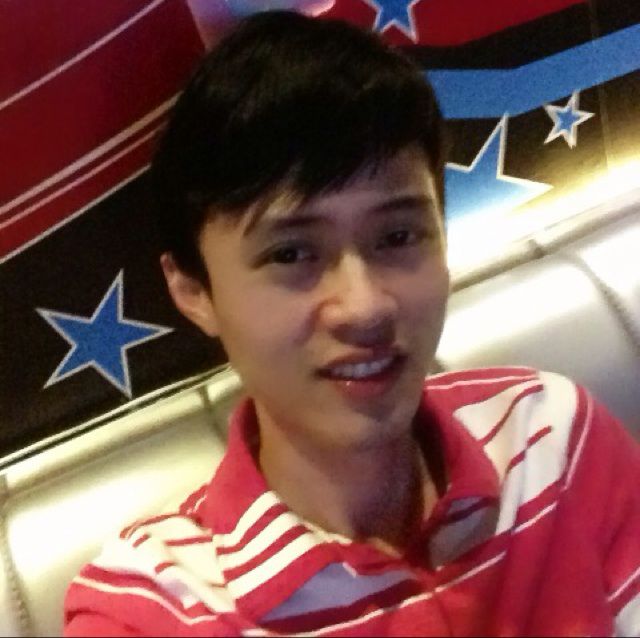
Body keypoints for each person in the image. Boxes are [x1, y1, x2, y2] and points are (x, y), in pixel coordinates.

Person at [63, 10, 640, 637]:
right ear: (193, 290)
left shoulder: (548, 436)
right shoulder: (151, 607)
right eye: (291, 254)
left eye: (398, 236)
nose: (365, 308)